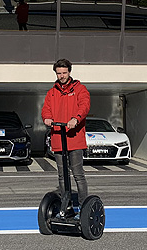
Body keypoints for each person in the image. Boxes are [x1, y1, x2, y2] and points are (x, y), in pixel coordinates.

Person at [42, 58, 90, 206]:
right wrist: (47, 118)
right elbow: (46, 109)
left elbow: (84, 106)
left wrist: (76, 118)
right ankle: (66, 205)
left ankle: (83, 205)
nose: (61, 76)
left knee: (78, 175)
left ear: (69, 72)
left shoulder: (79, 89)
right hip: (58, 137)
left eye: (64, 73)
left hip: (74, 138)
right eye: (59, 73)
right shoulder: (52, 92)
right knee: (62, 176)